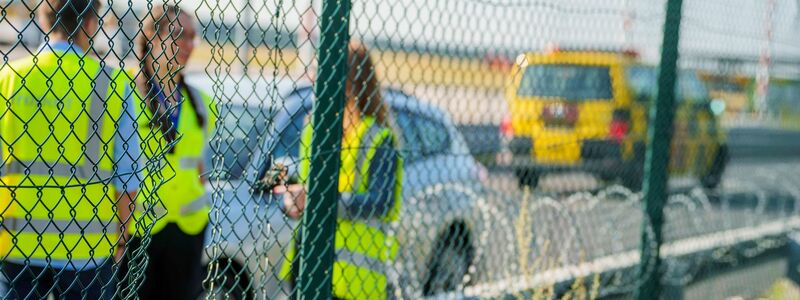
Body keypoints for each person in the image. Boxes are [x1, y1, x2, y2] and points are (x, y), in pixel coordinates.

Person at [0, 0, 141, 298]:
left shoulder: (8, 78)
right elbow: (127, 179)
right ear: (91, 24)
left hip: (15, 246)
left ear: (42, 20)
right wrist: (120, 240)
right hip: (86, 250)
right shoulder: (111, 83)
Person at [278, 41, 404, 300]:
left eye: (321, 70)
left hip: (352, 281)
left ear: (347, 81)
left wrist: (318, 202)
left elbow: (381, 202)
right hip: (308, 265)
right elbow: (306, 187)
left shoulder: (377, 138)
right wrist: (293, 202)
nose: (313, 77)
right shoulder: (313, 128)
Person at [123, 4, 217, 299]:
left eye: (192, 37)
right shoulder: (121, 91)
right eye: (178, 35)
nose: (188, 45)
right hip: (138, 231)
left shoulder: (202, 103)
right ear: (151, 36)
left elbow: (200, 167)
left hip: (188, 230)